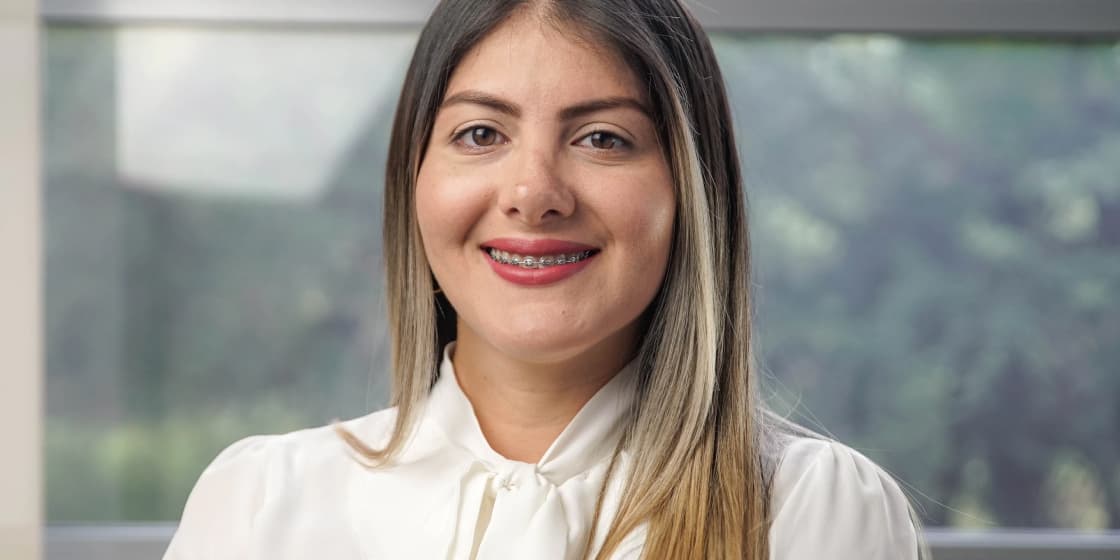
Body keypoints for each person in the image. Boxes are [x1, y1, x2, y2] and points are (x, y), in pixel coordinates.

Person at [164, 0, 925, 558]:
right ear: (413, 180)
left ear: (692, 192)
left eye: (603, 138)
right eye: (480, 133)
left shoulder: (812, 512)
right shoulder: (259, 508)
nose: (533, 193)